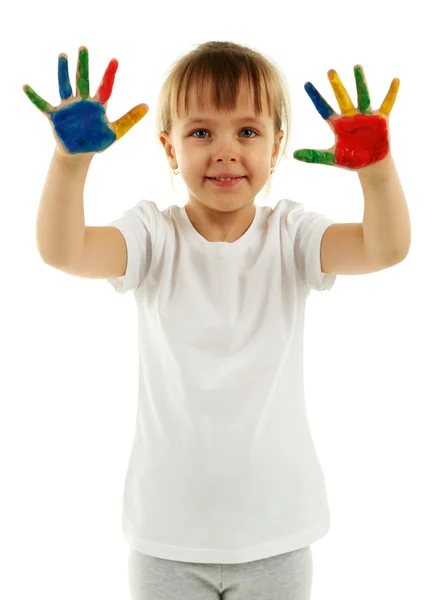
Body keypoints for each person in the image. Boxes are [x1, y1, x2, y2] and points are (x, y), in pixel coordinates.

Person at [26, 41, 409, 600]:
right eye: (201, 132)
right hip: (167, 539)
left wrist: (377, 173)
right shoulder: (152, 235)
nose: (226, 151)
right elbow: (64, 251)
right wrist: (69, 162)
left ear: (278, 146)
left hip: (277, 533)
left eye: (248, 132)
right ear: (169, 148)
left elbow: (385, 248)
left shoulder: (291, 234)